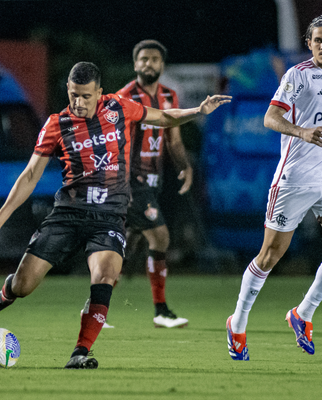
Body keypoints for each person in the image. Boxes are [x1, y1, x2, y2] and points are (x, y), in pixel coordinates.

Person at [0, 62, 230, 369]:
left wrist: (196, 111)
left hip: (109, 216)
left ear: (99, 92)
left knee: (106, 274)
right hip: (68, 214)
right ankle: (7, 293)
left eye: (85, 96)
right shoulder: (57, 125)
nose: (78, 102)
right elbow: (29, 175)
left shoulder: (119, 108)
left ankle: (80, 351)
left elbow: (162, 117)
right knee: (25, 285)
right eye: (73, 95)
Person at [226, 15, 322, 360]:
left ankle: (303, 313)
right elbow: (270, 118)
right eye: (317, 40)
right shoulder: (298, 75)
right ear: (309, 43)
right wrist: (301, 132)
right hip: (295, 179)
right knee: (270, 255)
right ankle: (237, 323)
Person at [115, 40, 191, 328]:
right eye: (144, 59)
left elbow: (174, 138)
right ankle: (161, 311)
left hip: (154, 181)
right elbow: (116, 142)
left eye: (155, 59)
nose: (149, 63)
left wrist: (185, 167)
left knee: (121, 250)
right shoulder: (125, 97)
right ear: (135, 65)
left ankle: (94, 307)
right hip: (132, 182)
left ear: (162, 65)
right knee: (160, 237)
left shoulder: (170, 96)